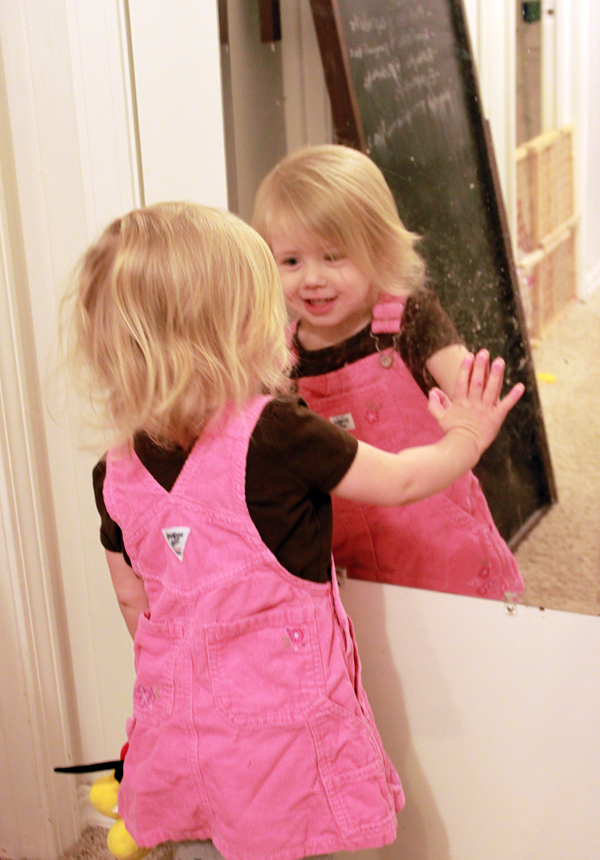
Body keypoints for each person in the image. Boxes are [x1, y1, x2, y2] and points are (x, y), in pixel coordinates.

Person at [63, 202, 523, 860]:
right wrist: (465, 439)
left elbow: (133, 600)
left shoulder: (114, 471)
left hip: (181, 732)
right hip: (285, 744)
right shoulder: (277, 432)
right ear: (239, 327)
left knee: (201, 837)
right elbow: (398, 481)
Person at [252, 144, 526, 601]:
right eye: (292, 261)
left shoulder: (410, 320)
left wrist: (471, 415)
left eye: (332, 256)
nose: (312, 278)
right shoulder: (279, 357)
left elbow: (471, 397)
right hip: (347, 570)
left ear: (378, 250)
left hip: (442, 554)